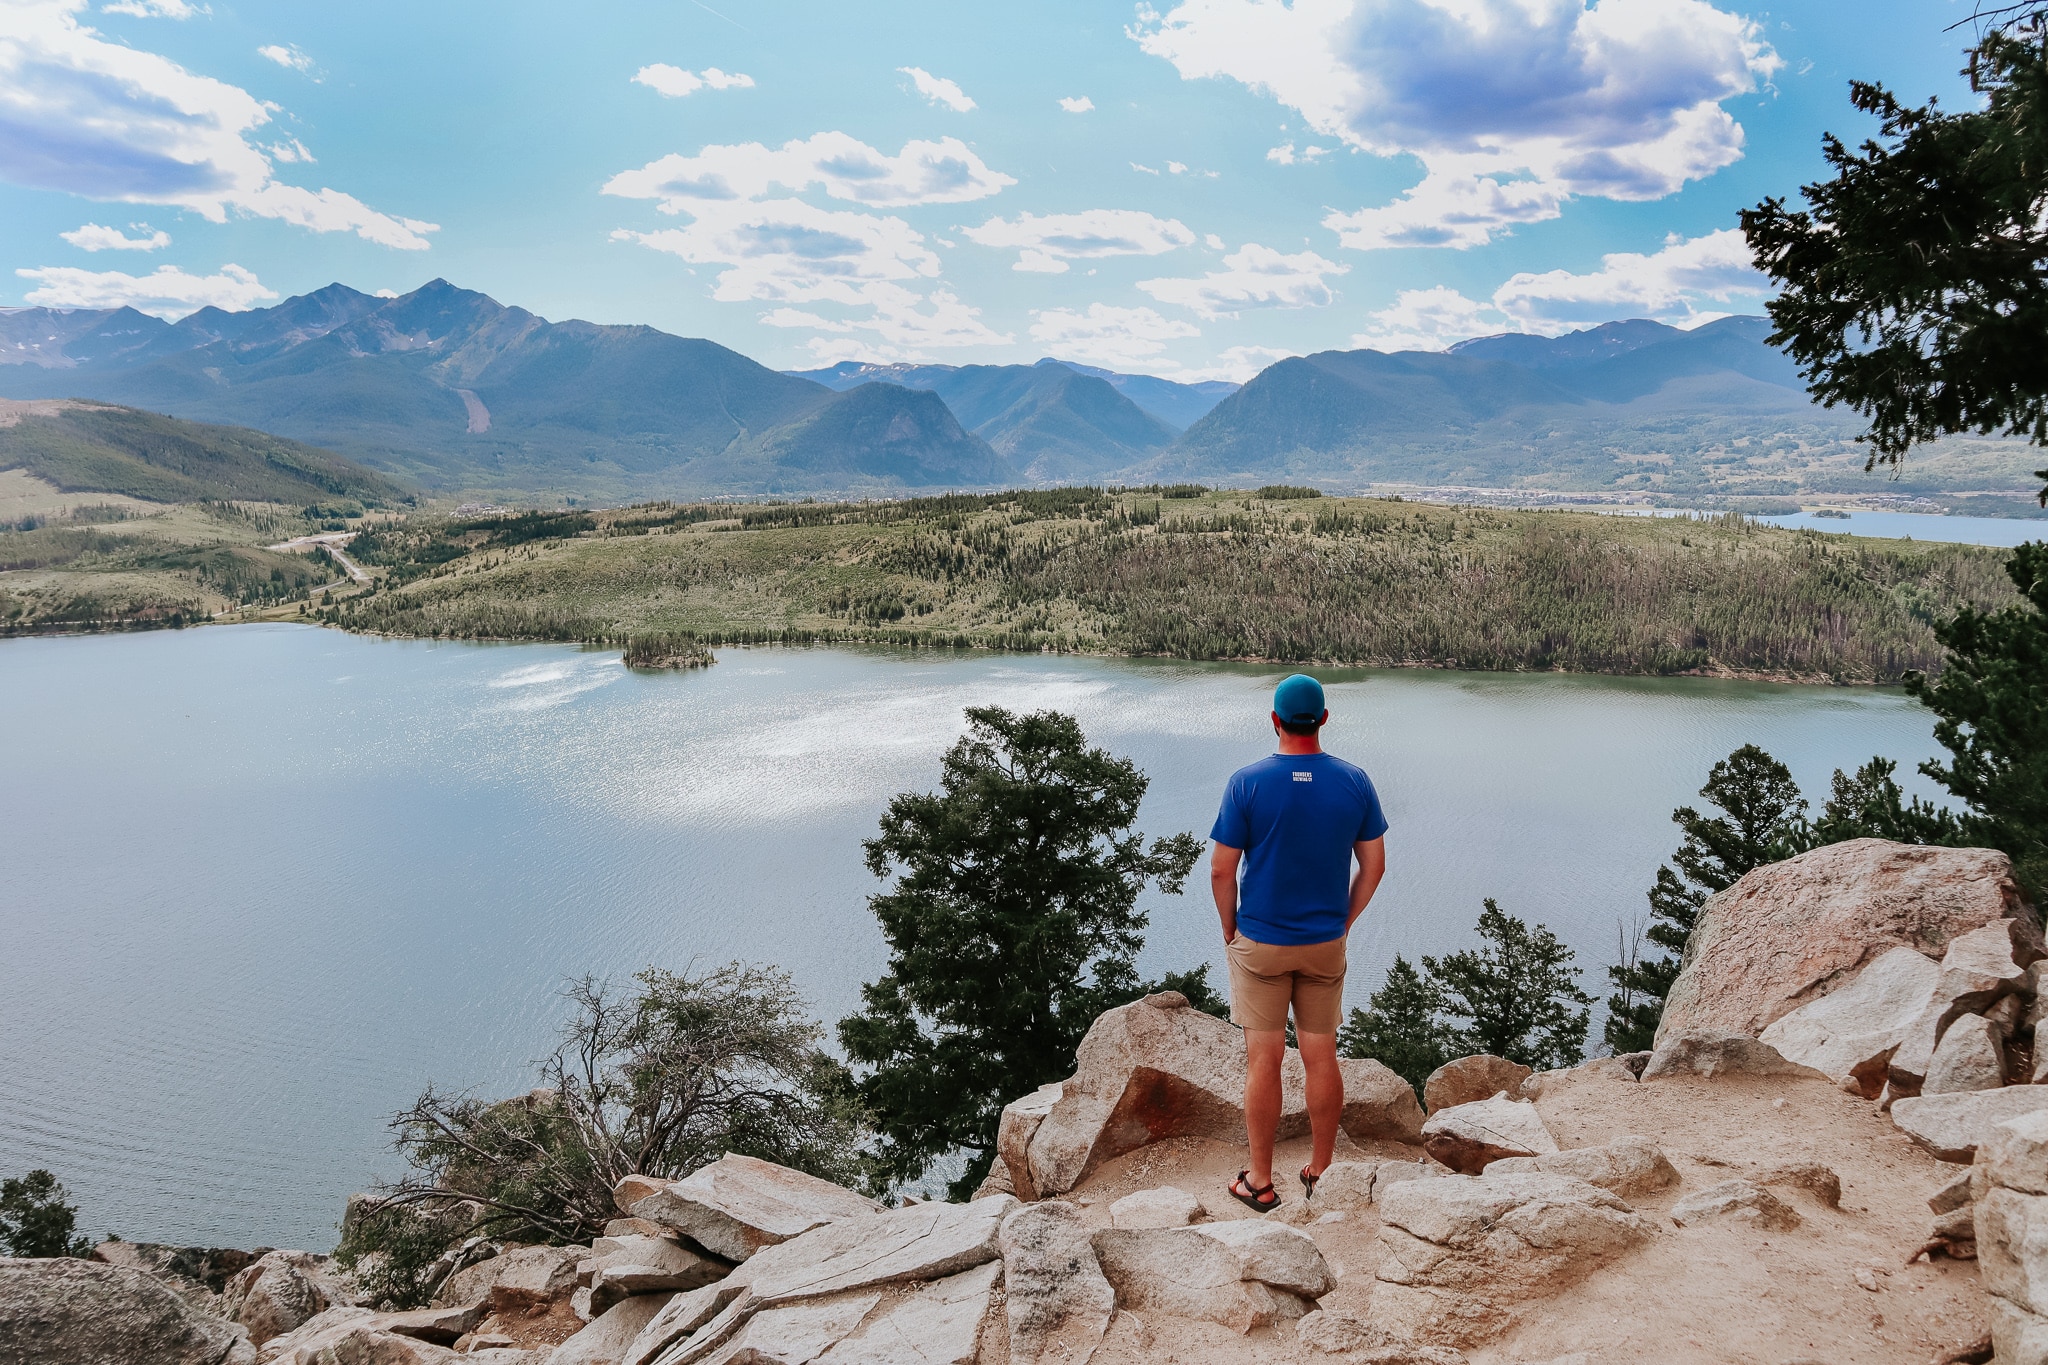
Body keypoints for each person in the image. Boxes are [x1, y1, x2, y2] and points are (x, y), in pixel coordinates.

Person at [1210, 673, 1388, 1211]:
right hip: (1323, 943)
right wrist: (1345, 920)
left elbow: (1222, 870)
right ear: (1325, 720)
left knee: (1262, 1061)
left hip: (1260, 942)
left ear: (1275, 721)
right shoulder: (1354, 782)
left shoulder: (1247, 783)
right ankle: (1323, 1170)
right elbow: (1373, 865)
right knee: (1321, 1055)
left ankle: (1260, 1182)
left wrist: (1229, 927)